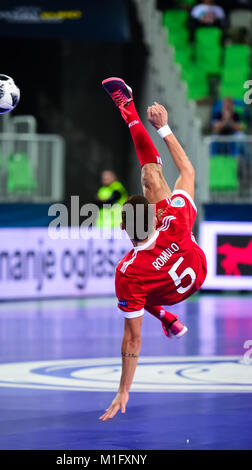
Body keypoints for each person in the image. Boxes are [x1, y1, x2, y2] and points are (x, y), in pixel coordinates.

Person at [99, 77, 207, 422]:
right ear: (153, 214)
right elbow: (188, 170)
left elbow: (132, 340)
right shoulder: (174, 217)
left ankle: (163, 314)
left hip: (170, 292)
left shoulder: (128, 272)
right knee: (151, 178)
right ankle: (127, 109)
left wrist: (124, 389)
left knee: (133, 295)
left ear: (122, 229)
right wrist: (164, 128)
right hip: (196, 271)